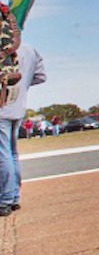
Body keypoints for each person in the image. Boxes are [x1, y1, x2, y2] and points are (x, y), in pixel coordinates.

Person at [0, 44, 44, 215]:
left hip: (3, 107)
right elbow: (40, 76)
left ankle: (5, 199)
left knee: (3, 154)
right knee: (12, 153)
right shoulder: (29, 49)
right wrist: (21, 86)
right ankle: (14, 197)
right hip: (18, 107)